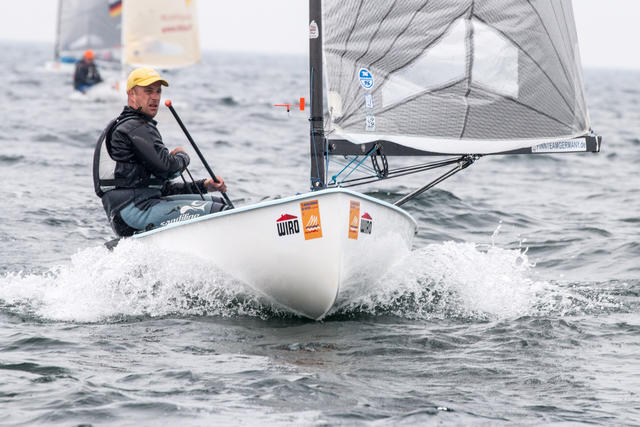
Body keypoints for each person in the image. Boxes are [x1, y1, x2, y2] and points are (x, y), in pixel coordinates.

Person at [93, 67, 229, 237]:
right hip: (134, 212)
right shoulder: (134, 127)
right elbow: (168, 169)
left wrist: (203, 186)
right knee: (220, 211)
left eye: (158, 91)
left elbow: (161, 189)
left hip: (142, 205)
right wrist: (183, 157)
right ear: (132, 94)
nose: (155, 97)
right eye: (148, 91)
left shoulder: (137, 126)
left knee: (217, 202)